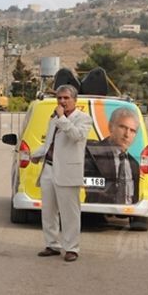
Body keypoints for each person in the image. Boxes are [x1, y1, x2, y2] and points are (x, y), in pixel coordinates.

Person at [30, 84, 92, 262]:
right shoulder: (54, 119)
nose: (62, 101)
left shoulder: (83, 118)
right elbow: (50, 143)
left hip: (68, 170)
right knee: (48, 211)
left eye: (66, 98)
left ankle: (71, 248)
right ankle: (52, 244)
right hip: (49, 168)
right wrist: (37, 155)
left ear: (75, 100)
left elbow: (76, 136)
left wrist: (62, 117)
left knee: (69, 213)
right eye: (59, 98)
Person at [84, 107, 140, 204]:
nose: (127, 134)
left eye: (132, 131)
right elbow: (86, 183)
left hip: (125, 215)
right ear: (110, 127)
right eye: (123, 127)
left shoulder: (134, 164)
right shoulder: (93, 153)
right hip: (98, 214)